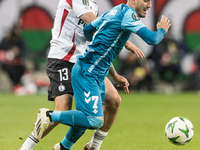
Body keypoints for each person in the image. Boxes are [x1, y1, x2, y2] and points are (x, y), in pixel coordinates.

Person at [32, 0, 171, 149]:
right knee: (94, 120)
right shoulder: (128, 16)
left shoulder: (115, 10)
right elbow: (152, 38)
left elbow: (88, 30)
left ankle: (64, 147)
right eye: (145, 1)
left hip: (95, 73)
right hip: (87, 73)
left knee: (91, 114)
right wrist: (162, 30)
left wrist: (98, 44)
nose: (149, 5)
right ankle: (49, 116)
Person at [0, 18, 37, 95]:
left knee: (21, 69)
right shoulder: (6, 40)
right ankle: (15, 85)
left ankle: (18, 85)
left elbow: (24, 52)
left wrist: (17, 52)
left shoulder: (20, 40)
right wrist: (8, 53)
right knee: (10, 69)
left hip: (18, 63)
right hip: (7, 64)